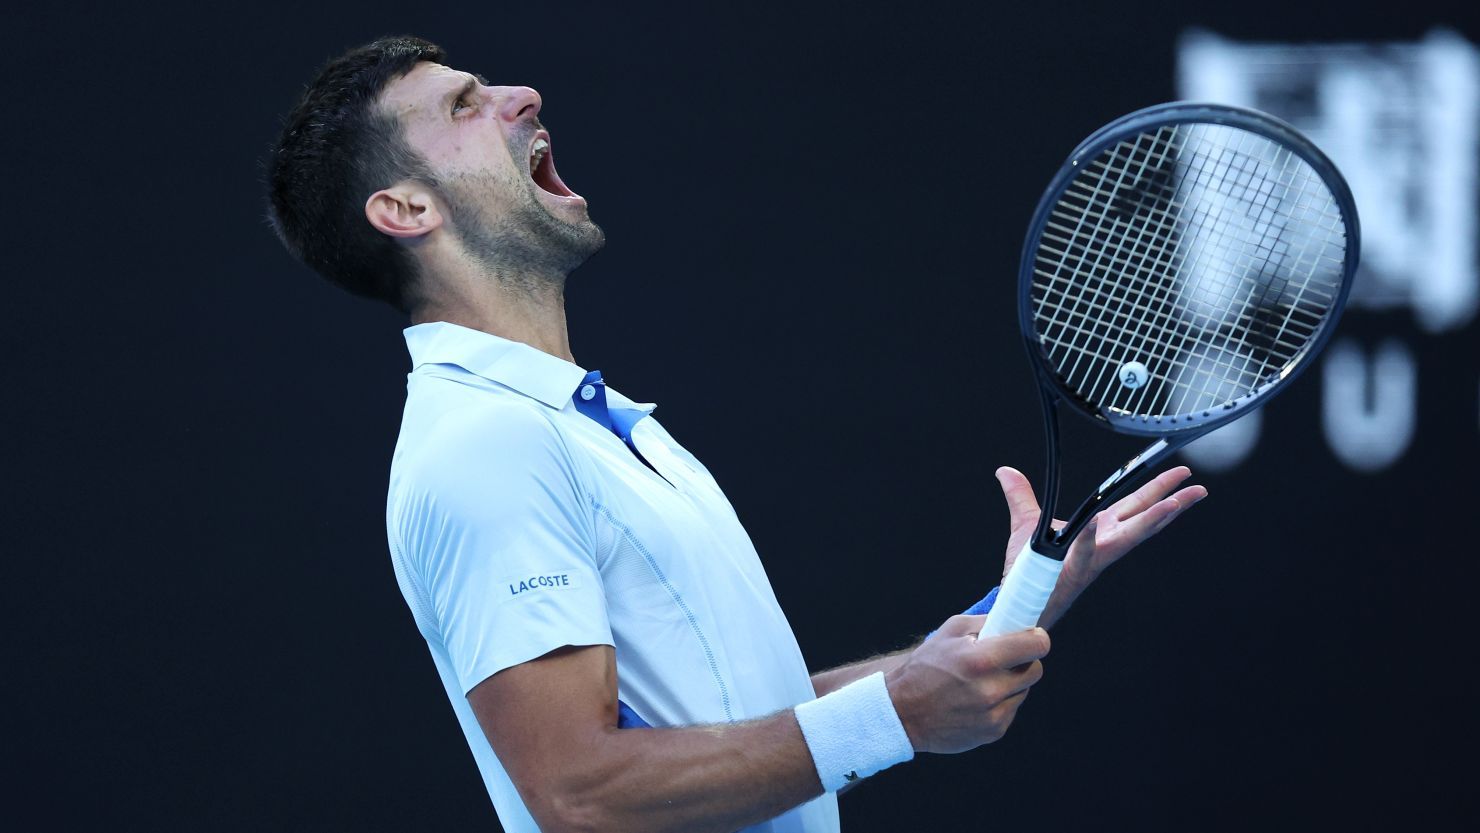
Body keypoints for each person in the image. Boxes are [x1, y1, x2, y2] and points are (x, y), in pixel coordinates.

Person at [266, 35, 1207, 833]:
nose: (522, 96)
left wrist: (1007, 612)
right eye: (467, 106)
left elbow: (742, 722)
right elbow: (575, 790)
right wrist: (900, 716)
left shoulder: (589, 427)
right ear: (406, 209)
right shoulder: (483, 443)